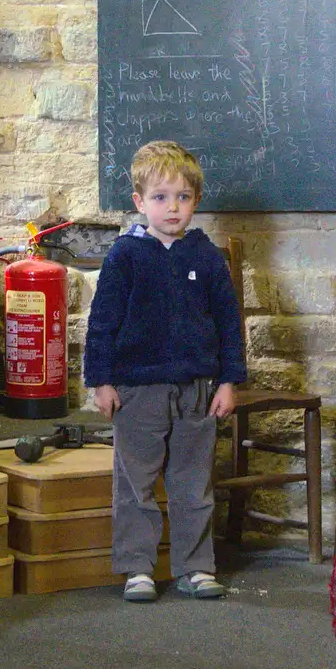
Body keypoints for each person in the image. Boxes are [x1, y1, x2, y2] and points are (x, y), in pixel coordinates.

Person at [85, 141, 246, 602]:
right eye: (160, 197)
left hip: (197, 390)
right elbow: (102, 323)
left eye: (182, 197)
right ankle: (137, 568)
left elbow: (229, 323)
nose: (172, 207)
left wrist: (228, 382)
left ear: (196, 200)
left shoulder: (207, 257)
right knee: (135, 484)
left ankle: (195, 567)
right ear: (139, 202)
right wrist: (101, 381)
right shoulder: (124, 256)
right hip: (137, 390)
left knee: (193, 484)